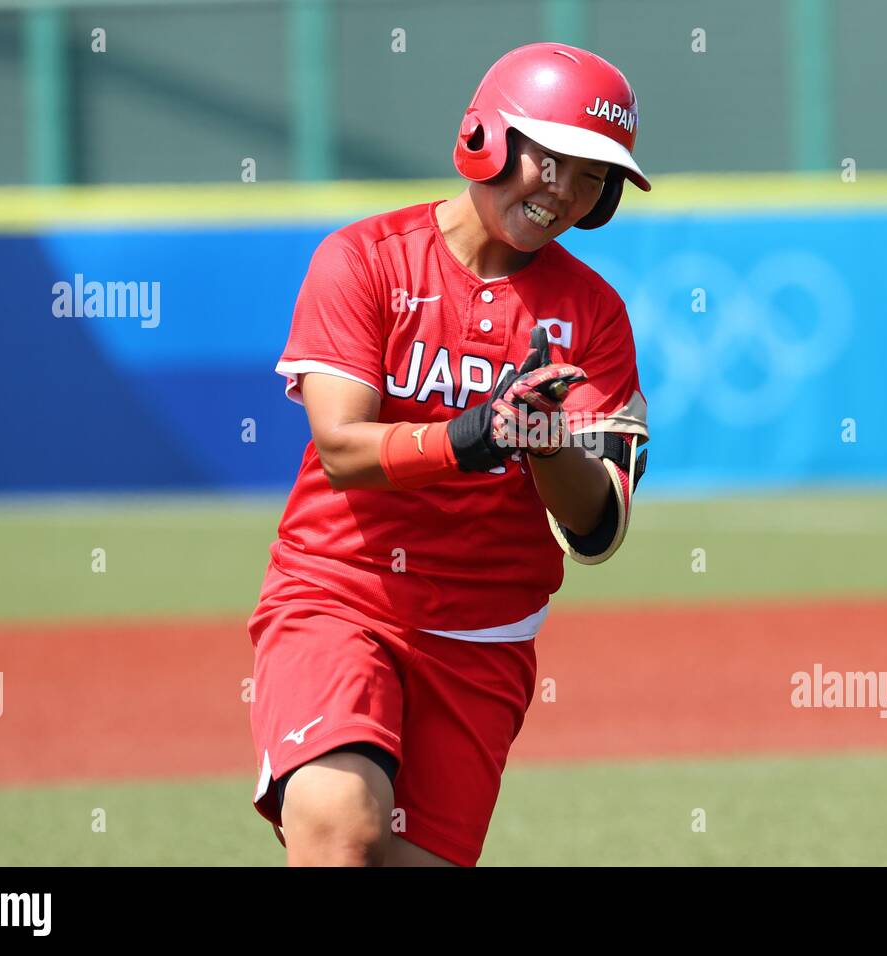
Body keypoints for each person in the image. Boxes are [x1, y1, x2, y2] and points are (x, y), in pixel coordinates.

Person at [247, 41, 650, 866]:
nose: (566, 193)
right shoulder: (363, 259)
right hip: (340, 594)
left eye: (591, 177)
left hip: (485, 635)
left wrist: (543, 443)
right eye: (554, 160)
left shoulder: (596, 315)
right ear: (486, 137)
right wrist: (474, 435)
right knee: (340, 822)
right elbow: (342, 447)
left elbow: (599, 528)